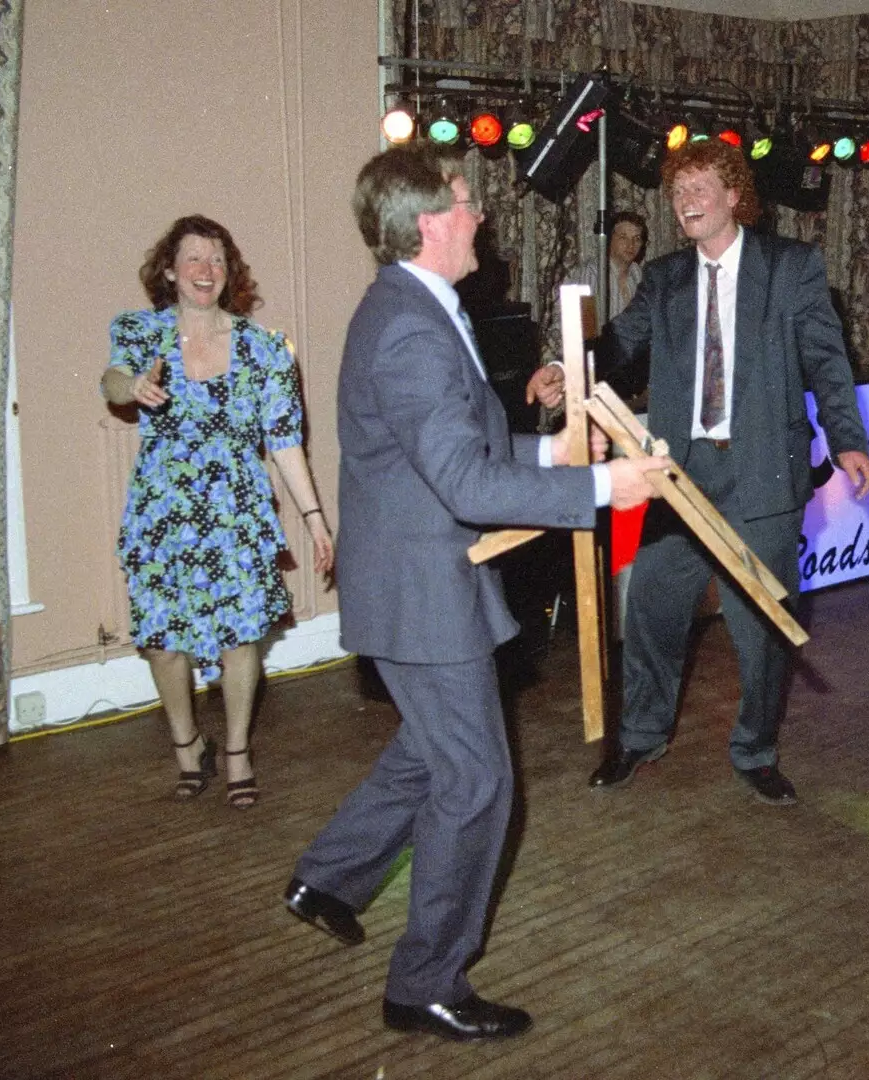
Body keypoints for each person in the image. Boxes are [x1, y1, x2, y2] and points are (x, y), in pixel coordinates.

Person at [281, 146, 665, 1042]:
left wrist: (559, 459)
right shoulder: (411, 323)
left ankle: (328, 878)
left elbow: (453, 455)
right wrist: (607, 492)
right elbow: (463, 483)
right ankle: (425, 983)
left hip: (419, 577)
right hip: (424, 589)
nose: (480, 215)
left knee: (430, 751)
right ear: (428, 221)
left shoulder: (417, 308)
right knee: (478, 781)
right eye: (466, 200)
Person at [583, 138, 869, 806]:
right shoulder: (664, 279)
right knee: (652, 610)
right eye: (677, 192)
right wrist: (568, 366)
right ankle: (641, 735)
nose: (685, 202)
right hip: (678, 480)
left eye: (699, 189)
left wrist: (848, 439)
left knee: (763, 628)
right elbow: (620, 346)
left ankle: (755, 750)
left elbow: (828, 362)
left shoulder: (792, 268)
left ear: (734, 195)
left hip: (762, 477)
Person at [102, 215, 334, 810]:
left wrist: (314, 520)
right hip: (164, 512)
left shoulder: (263, 348)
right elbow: (112, 380)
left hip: (235, 511)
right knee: (163, 641)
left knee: (240, 639)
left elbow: (284, 441)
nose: (206, 270)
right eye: (194, 258)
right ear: (170, 271)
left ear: (229, 273)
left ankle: (236, 751)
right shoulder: (141, 333)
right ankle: (186, 747)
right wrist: (133, 387)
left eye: (217, 260)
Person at [570, 210, 646, 321]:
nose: (631, 245)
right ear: (610, 239)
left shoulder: (638, 273)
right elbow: (584, 325)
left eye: (637, 239)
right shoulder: (593, 271)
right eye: (623, 237)